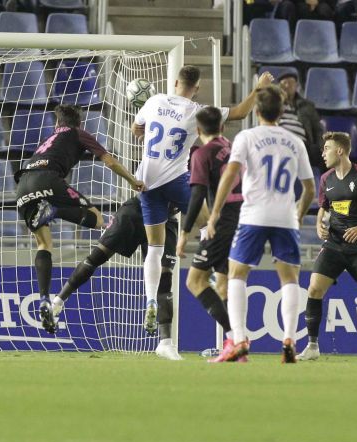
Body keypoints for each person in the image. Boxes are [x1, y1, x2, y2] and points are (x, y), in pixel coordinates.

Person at [132, 66, 272, 336]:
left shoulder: (153, 101)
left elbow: (136, 130)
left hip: (147, 182)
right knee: (210, 224)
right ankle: (217, 272)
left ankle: (150, 301)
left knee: (155, 247)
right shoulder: (198, 111)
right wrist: (260, 86)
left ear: (175, 82)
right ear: (196, 87)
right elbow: (241, 113)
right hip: (177, 181)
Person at [206, 86, 315, 363]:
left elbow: (230, 174)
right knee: (289, 278)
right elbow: (310, 189)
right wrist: (298, 215)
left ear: (256, 111)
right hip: (285, 217)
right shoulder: (296, 142)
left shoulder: (246, 137)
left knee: (237, 274)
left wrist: (215, 212)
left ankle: (240, 340)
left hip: (254, 215)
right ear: (281, 112)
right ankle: (289, 338)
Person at [16, 104, 143, 335]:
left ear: (57, 124)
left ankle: (44, 299)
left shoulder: (49, 138)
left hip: (22, 185)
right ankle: (54, 211)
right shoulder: (79, 133)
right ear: (79, 123)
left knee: (44, 244)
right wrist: (132, 180)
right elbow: (110, 161)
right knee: (97, 218)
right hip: (48, 181)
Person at [296, 132, 357, 363]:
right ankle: (312, 346)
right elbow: (324, 207)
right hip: (334, 244)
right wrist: (319, 222)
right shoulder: (325, 179)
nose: (323, 153)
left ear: (340, 151)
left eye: (327, 148)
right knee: (314, 289)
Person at [54, 197, 182, 360]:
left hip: (151, 214)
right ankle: (165, 342)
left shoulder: (192, 179)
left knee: (97, 257)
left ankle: (58, 301)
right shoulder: (186, 178)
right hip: (145, 211)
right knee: (163, 280)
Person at [175, 107, 235, 350]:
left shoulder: (202, 154)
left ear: (198, 131)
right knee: (223, 285)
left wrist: (184, 234)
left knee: (195, 281)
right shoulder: (231, 147)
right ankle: (230, 344)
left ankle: (236, 337)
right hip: (245, 219)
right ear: (222, 127)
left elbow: (197, 194)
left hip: (222, 221)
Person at [276, 72, 324, 170]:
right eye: (284, 83)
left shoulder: (307, 105)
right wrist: (280, 100)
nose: (287, 85)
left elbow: (318, 129)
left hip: (302, 145)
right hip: (279, 142)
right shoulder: (274, 105)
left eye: (291, 83)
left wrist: (321, 147)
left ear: (296, 86)